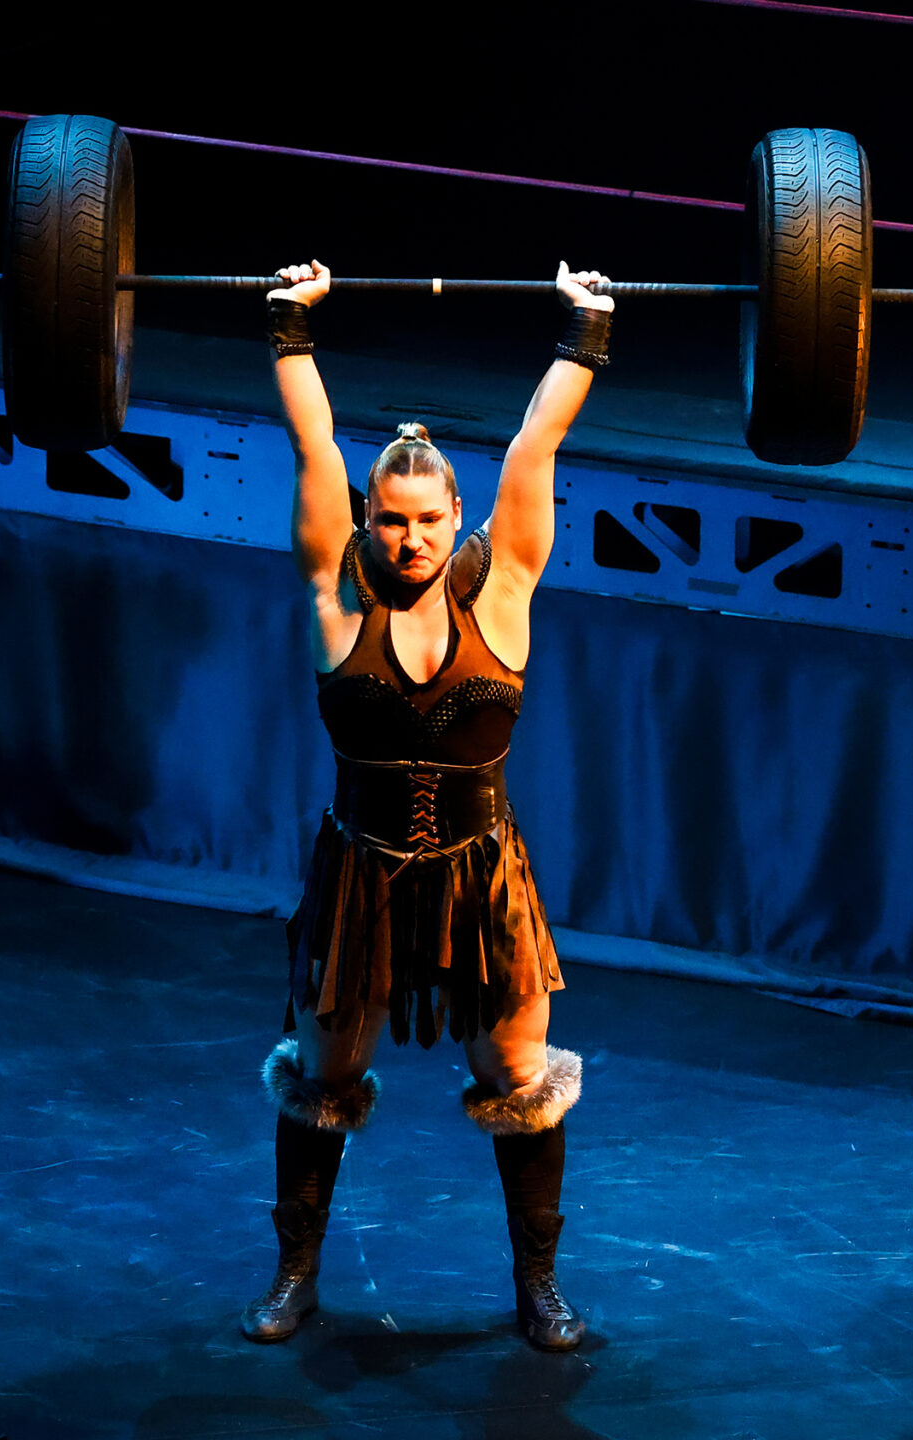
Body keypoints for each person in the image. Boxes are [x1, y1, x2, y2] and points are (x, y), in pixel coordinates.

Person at [242, 259, 612, 1350]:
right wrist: (289, 330)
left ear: (459, 516)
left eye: (427, 520)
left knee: (515, 1075)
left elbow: (533, 450)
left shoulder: (503, 589)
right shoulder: (332, 597)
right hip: (357, 877)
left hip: (480, 880)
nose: (409, 541)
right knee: (324, 1074)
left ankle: (537, 1288)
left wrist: (583, 334)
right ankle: (294, 1278)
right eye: (391, 522)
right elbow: (314, 449)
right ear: (367, 522)